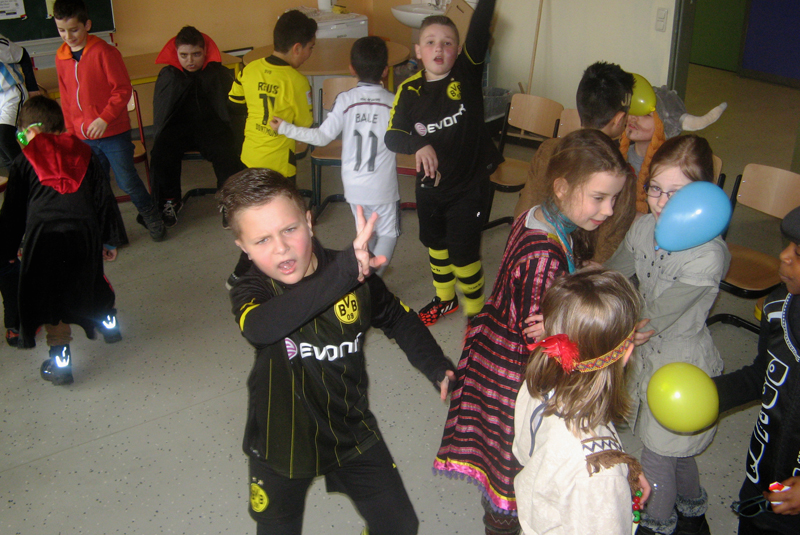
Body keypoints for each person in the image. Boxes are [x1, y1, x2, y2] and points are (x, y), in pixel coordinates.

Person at [218, 168, 456, 535]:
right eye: (261, 240)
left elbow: (397, 317)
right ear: (243, 248)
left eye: (289, 229)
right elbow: (261, 328)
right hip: (280, 438)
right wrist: (345, 272)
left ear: (309, 221)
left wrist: (435, 364)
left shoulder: (353, 275)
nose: (280, 247)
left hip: (350, 427)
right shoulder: (252, 288)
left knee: (399, 525)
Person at [435, 129, 632, 535]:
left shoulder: (539, 214)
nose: (609, 210)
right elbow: (541, 342)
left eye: (614, 198)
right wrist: (592, 333)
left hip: (497, 351)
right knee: (512, 479)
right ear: (562, 187)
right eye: (599, 198)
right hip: (516, 379)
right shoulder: (544, 255)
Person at [606, 135, 731, 535]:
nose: (661, 202)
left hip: (680, 365)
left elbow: (655, 317)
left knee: (658, 456)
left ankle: (655, 524)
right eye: (655, 188)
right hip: (648, 360)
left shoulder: (708, 255)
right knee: (675, 449)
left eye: (675, 193)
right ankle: (693, 513)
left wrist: (610, 330)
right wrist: (586, 283)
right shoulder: (644, 226)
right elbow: (614, 272)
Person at [385, 0, 504, 325]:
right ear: (418, 51)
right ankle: (445, 299)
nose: (439, 48)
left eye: (447, 43)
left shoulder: (466, 73)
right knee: (435, 246)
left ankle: (476, 313)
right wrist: (418, 143)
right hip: (430, 187)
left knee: (464, 254)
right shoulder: (409, 90)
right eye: (430, 42)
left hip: (469, 186)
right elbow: (392, 137)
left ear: (459, 51)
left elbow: (479, 26)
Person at [0, 96, 127, 385]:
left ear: (28, 131)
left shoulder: (23, 162)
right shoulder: (84, 153)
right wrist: (109, 240)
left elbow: (13, 212)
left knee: (51, 300)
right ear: (60, 127)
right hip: (83, 235)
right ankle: (109, 325)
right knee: (90, 280)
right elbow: (103, 198)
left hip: (42, 242)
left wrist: (6, 248)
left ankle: (61, 363)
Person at [513, 268, 650, 535]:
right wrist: (611, 477)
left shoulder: (542, 384)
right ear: (627, 354)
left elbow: (525, 450)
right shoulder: (600, 480)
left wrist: (619, 465)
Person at [271, 36, 399, 274]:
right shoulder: (394, 103)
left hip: (353, 185)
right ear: (385, 70)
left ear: (352, 69)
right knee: (389, 233)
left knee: (365, 231)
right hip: (382, 185)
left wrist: (285, 128)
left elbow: (321, 137)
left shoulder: (345, 100)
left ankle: (365, 273)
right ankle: (373, 280)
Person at [712, 205, 800, 535]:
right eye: (788, 245)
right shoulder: (778, 309)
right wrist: (710, 394)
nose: (784, 256)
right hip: (763, 475)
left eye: (799, 252)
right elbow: (764, 373)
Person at [53, 0, 165, 242]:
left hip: (113, 133)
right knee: (96, 184)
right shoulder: (61, 58)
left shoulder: (104, 52)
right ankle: (107, 228)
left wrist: (104, 118)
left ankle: (150, 213)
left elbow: (122, 90)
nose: (68, 36)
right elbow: (66, 99)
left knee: (127, 181)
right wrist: (71, 133)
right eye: (62, 30)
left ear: (87, 25)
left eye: (74, 29)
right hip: (83, 137)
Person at [513, 61, 636, 263]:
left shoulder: (548, 149)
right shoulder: (620, 176)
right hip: (575, 271)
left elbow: (524, 210)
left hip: (529, 250)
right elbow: (607, 245)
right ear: (619, 118)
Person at [149, 25, 245, 227]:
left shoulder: (217, 73)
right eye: (184, 55)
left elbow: (231, 108)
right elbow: (162, 111)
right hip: (178, 127)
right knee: (160, 151)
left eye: (196, 54)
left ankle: (229, 201)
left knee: (226, 151)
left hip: (210, 126)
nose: (190, 60)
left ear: (205, 52)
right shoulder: (169, 75)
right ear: (176, 53)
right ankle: (170, 201)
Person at [228, 9, 315, 180]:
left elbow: (233, 104)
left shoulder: (249, 69)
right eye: (310, 48)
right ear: (297, 48)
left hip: (250, 157)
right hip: (280, 165)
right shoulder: (298, 81)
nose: (310, 53)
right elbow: (304, 124)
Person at [0, 34, 39, 169]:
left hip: (11, 93)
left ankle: (30, 174)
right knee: (3, 145)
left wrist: (32, 87)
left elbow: (22, 55)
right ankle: (17, 176)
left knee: (4, 137)